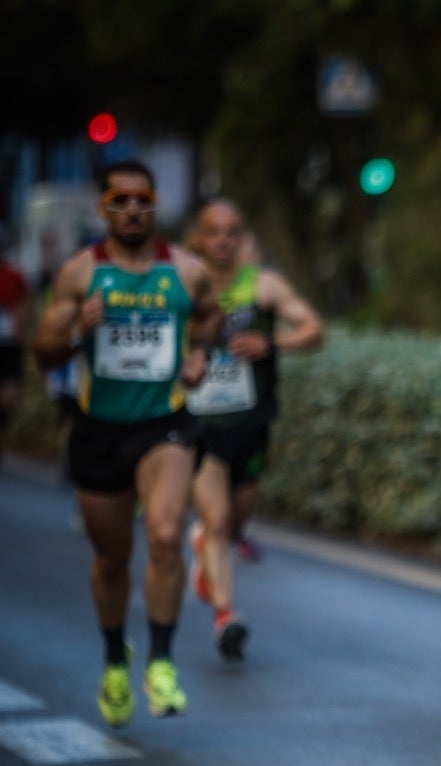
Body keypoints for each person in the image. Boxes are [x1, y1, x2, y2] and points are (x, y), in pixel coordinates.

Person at [32, 159, 221, 725]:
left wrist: (199, 356)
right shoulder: (80, 274)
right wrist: (75, 333)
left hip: (164, 424)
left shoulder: (188, 272)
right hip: (99, 430)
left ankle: (161, 664)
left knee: (165, 534)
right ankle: (117, 660)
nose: (133, 209)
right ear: (104, 207)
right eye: (121, 200)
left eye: (142, 199)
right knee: (112, 558)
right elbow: (42, 353)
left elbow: (211, 319)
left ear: (156, 204)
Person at [184, 198, 324, 661]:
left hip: (253, 422)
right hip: (198, 425)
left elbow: (314, 329)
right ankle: (226, 617)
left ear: (242, 238)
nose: (222, 241)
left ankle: (207, 548)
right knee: (219, 519)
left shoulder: (262, 286)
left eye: (232, 232)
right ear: (198, 238)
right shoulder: (179, 285)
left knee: (236, 522)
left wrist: (273, 341)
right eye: (213, 232)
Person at [0, 225, 32, 461]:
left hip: (9, 346)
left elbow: (24, 306)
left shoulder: (14, 276)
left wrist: (23, 333)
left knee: (8, 398)